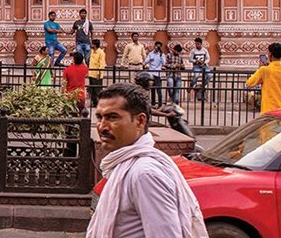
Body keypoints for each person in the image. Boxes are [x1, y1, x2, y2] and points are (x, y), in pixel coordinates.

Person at [87, 83, 208, 238]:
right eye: (99, 117)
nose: (102, 127)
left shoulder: (145, 174)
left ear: (140, 121)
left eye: (112, 117)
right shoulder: (126, 165)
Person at [245, 42, 281, 114]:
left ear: (270, 54)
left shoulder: (264, 70)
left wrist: (259, 69)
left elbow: (249, 83)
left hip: (268, 109)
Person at [189, 37, 211, 102]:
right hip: (196, 66)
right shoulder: (193, 51)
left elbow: (208, 58)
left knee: (209, 75)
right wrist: (196, 61)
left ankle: (201, 85)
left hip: (204, 65)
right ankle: (191, 85)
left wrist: (204, 62)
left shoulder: (205, 50)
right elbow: (190, 59)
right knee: (196, 76)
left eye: (198, 44)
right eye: (196, 44)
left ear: (201, 44)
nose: (197, 45)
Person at [87, 39, 106, 105]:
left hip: (97, 74)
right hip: (91, 73)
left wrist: (100, 74)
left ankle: (99, 103)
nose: (90, 45)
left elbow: (102, 64)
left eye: (92, 44)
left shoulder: (101, 53)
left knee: (98, 90)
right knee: (92, 90)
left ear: (95, 45)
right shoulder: (92, 51)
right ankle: (94, 102)